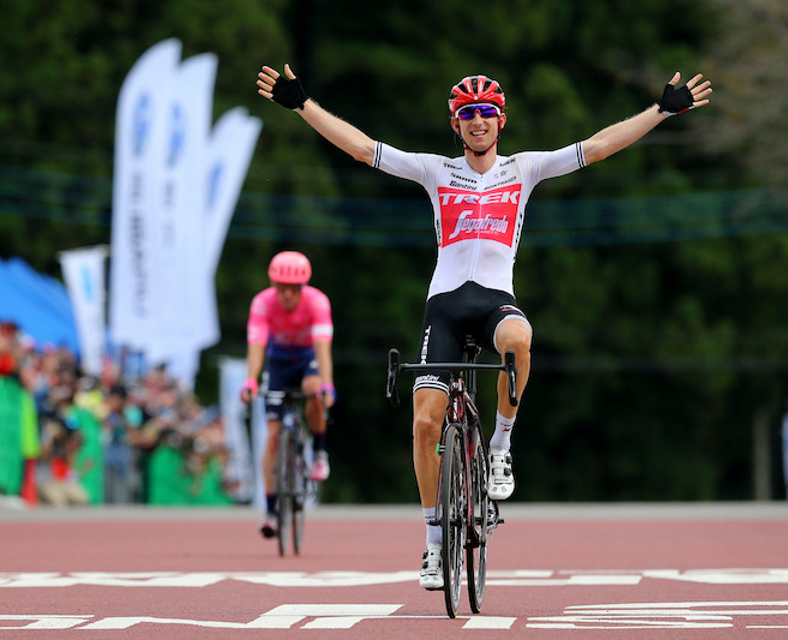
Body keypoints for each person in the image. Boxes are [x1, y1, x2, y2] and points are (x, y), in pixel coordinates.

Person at [256, 63, 711, 587]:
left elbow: (599, 146)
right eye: (467, 114)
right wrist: (301, 104)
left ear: (501, 122)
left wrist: (659, 111)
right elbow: (363, 148)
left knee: (520, 337)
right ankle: (431, 542)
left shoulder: (524, 169)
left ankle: (499, 446)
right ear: (456, 124)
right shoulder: (435, 171)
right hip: (444, 308)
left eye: (487, 113)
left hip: (495, 302)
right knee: (425, 423)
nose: (478, 121)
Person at [240, 250, 336, 538]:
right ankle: (270, 510)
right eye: (281, 289)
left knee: (313, 390)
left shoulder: (317, 302)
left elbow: (322, 347)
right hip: (279, 361)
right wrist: (251, 381)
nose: (287, 296)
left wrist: (327, 384)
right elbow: (256, 345)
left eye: (293, 290)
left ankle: (319, 451)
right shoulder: (262, 303)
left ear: (302, 288)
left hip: (308, 358)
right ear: (273, 286)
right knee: (271, 437)